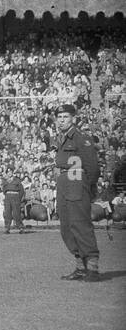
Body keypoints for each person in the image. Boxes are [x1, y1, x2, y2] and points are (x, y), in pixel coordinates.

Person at [48, 101, 101, 281]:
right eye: (59, 117)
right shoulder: (62, 138)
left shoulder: (80, 138)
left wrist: (89, 187)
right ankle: (80, 267)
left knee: (80, 224)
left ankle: (92, 268)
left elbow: (92, 167)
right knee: (66, 227)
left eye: (66, 117)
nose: (62, 120)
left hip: (77, 182)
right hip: (64, 183)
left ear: (73, 118)